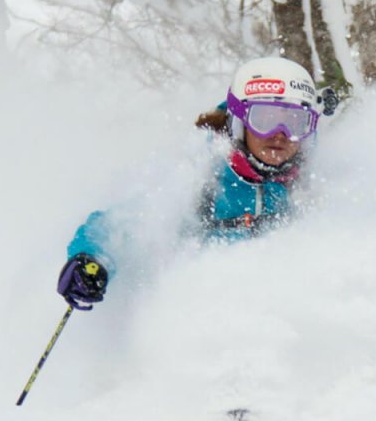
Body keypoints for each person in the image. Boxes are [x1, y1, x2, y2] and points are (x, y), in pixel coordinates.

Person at [56, 56, 337, 310]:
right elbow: (128, 224)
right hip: (203, 316)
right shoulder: (200, 172)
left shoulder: (313, 180)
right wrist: (91, 258)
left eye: (296, 123)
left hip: (285, 320)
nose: (280, 134)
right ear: (240, 122)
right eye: (265, 119)